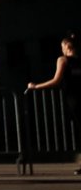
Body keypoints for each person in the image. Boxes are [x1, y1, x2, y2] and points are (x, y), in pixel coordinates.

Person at [27, 32, 81, 174]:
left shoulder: (63, 60)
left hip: (73, 99)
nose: (61, 49)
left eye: (62, 46)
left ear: (67, 46)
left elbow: (56, 80)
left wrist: (36, 86)